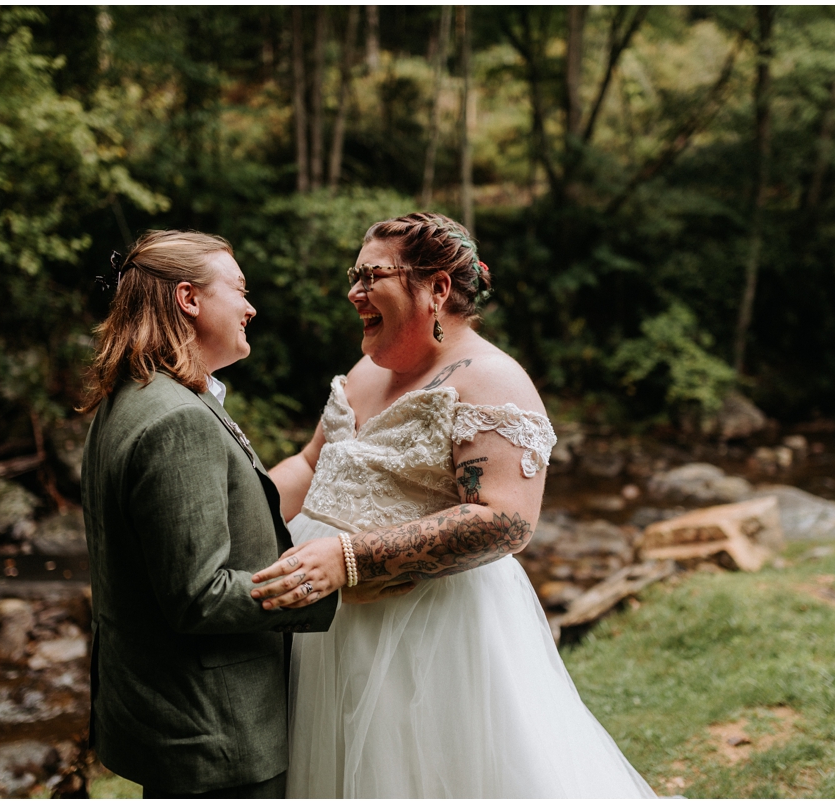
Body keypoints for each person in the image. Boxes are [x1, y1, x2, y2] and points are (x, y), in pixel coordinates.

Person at [254, 212, 658, 797]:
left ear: (437, 288)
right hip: (328, 623)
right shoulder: (368, 368)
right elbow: (311, 463)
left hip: (428, 632)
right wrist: (239, 510)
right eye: (355, 275)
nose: (353, 292)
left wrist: (350, 558)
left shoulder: (492, 380)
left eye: (371, 277)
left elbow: (507, 521)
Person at [79, 230, 340, 798]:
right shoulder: (178, 419)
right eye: (239, 289)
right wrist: (325, 583)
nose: (250, 307)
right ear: (188, 299)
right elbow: (199, 595)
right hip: (216, 731)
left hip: (167, 717)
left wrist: (315, 458)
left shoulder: (131, 399)